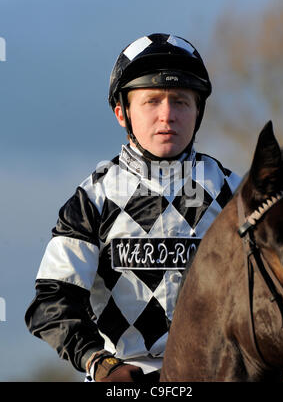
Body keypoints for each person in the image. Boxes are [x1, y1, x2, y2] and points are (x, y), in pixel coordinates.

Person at [25, 33, 241, 382]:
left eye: (181, 101)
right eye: (152, 101)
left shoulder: (236, 193)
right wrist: (99, 362)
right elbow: (51, 302)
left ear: (198, 111)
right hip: (122, 379)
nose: (167, 115)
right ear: (121, 113)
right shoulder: (92, 198)